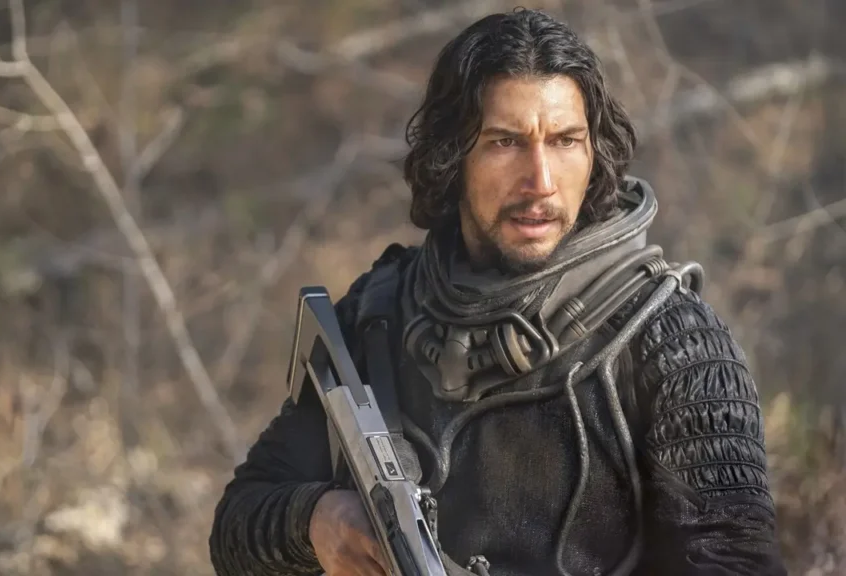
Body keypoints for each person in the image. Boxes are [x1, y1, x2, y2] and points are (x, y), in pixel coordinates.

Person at [209, 8, 786, 576]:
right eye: (506, 142)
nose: (540, 182)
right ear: (452, 155)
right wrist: (318, 519)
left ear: (594, 153)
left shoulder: (675, 340)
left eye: (565, 141)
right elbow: (238, 524)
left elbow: (736, 562)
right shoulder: (379, 313)